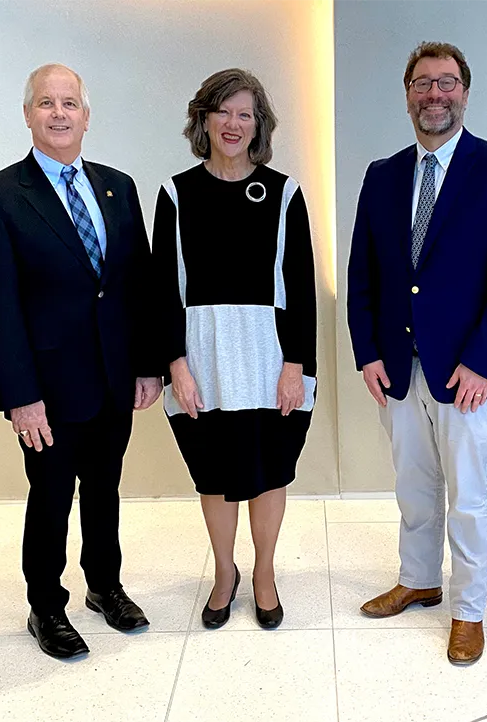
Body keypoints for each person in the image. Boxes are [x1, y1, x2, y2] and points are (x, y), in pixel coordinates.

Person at [347, 41, 487, 664]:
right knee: (413, 485)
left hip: (470, 373)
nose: (435, 94)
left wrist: (484, 361)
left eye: (447, 83)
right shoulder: (381, 175)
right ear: (407, 93)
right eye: (423, 83)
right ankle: (419, 578)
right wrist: (368, 352)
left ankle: (469, 609)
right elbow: (363, 275)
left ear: (465, 91)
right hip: (399, 367)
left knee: (470, 495)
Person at [0, 63, 162, 659]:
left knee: (105, 489)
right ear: (28, 114)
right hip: (47, 387)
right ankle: (46, 606)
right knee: (49, 496)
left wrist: (147, 363)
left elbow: (138, 283)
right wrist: (19, 395)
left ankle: (105, 586)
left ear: (86, 113)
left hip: (112, 375)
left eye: (69, 102)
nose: (59, 113)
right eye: (46, 103)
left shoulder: (118, 186)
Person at [154, 68, 316, 631]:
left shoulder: (283, 192)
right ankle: (225, 573)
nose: (233, 123)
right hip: (202, 357)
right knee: (216, 473)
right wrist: (175, 363)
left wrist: (295, 365)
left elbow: (300, 284)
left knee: (269, 471)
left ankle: (265, 573)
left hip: (269, 357)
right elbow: (162, 286)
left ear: (259, 125)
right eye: (222, 111)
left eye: (245, 113)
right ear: (204, 118)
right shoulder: (177, 192)